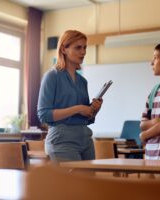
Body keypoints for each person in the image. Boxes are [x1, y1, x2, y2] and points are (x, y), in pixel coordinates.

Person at [37, 30, 103, 162]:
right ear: (63, 49)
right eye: (78, 47)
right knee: (74, 183)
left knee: (90, 182)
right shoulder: (52, 76)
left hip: (85, 140)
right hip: (62, 141)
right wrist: (77, 108)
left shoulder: (82, 81)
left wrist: (94, 110)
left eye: (84, 47)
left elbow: (86, 119)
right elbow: (44, 114)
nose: (83, 52)